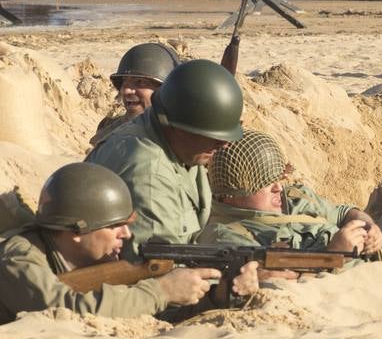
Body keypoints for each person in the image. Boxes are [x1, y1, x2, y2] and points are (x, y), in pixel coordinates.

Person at [0, 163, 257, 324]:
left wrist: (216, 297)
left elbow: (142, 316)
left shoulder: (92, 262)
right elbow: (63, 311)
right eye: (114, 226)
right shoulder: (18, 258)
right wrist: (161, 291)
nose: (127, 234)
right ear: (75, 231)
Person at [85, 60, 244, 256]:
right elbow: (157, 272)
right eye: (214, 137)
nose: (224, 145)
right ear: (178, 127)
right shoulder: (149, 172)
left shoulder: (183, 146)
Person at [197, 130, 382, 253]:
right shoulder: (226, 235)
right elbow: (271, 282)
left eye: (279, 178)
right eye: (266, 183)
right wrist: (334, 255)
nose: (278, 188)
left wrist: (370, 228)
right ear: (232, 195)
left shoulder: (295, 196)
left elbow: (344, 213)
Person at [89, 43, 181, 152]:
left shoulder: (186, 139)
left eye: (139, 82)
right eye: (124, 82)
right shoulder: (107, 129)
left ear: (165, 90)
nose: (126, 90)